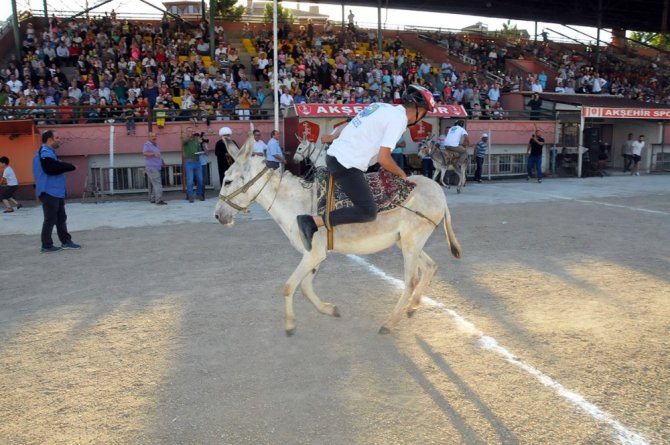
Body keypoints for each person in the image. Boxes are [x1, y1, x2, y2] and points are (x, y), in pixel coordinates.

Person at [296, 84, 436, 252]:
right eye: (425, 113)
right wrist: (402, 174)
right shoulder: (399, 120)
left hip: (335, 157)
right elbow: (384, 159)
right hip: (346, 164)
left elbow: (348, 125)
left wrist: (333, 136)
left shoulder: (380, 106)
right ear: (420, 111)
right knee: (368, 211)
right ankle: (312, 222)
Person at [32, 130, 80, 253]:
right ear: (49, 140)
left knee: (61, 218)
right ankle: (47, 245)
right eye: (57, 137)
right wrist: (70, 166)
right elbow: (51, 168)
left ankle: (66, 241)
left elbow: (55, 166)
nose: (59, 140)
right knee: (50, 219)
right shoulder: (44, 152)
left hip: (56, 192)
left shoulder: (50, 153)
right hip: (48, 191)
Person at [143, 132, 167, 205]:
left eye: (155, 136)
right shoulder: (147, 144)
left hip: (156, 167)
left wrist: (162, 162)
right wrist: (153, 153)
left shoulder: (154, 145)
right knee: (158, 184)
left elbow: (158, 154)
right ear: (149, 137)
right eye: (152, 136)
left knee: (155, 184)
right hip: (152, 167)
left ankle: (153, 199)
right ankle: (158, 200)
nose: (154, 137)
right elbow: (145, 153)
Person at [182, 127, 204, 202]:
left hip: (197, 162)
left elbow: (199, 150)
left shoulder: (196, 140)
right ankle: (190, 196)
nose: (191, 133)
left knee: (200, 180)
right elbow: (184, 142)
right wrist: (189, 136)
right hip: (189, 162)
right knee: (190, 180)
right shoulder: (185, 139)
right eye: (189, 131)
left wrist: (201, 151)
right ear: (186, 132)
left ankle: (199, 194)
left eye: (192, 131)